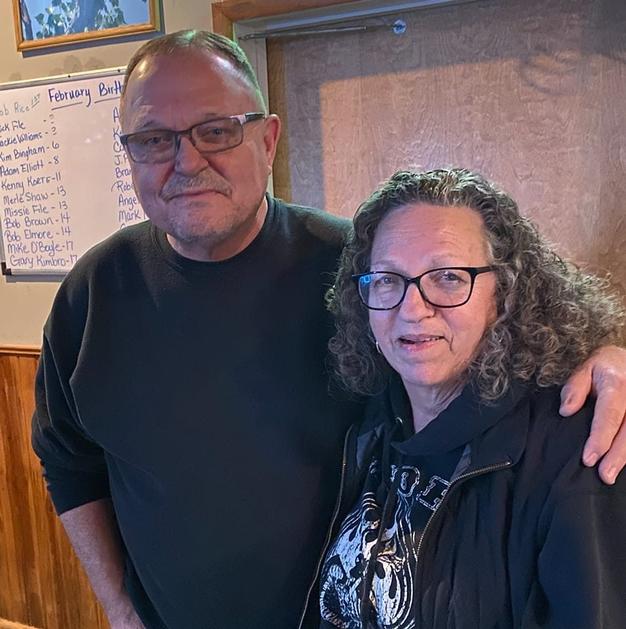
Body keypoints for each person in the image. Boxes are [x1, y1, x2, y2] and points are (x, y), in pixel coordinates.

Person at [31, 31, 626, 629]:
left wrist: (604, 354)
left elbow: (514, 338)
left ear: (267, 140)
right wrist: (119, 610)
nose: (187, 162)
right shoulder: (91, 294)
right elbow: (68, 461)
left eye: (216, 131)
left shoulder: (355, 268)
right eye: (155, 139)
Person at [317, 168, 626, 628]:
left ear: (504, 293)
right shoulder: (370, 422)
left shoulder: (579, 448)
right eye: (387, 279)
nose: (413, 309)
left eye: (448, 277)